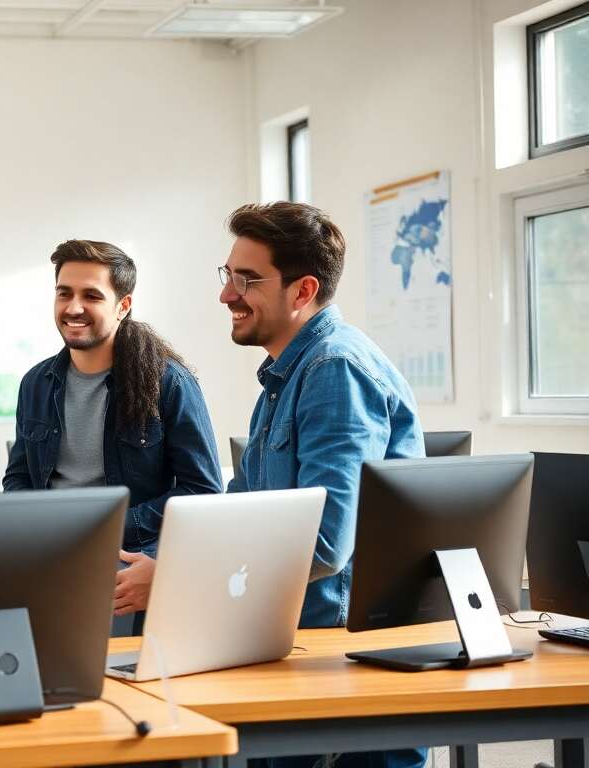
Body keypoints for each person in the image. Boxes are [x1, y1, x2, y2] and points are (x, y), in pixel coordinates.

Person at [220, 202, 425, 768]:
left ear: (302, 290)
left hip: (336, 651)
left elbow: (326, 543)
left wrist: (187, 573)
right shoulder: (285, 376)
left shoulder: (334, 369)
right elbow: (240, 512)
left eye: (248, 280)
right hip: (293, 634)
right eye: (228, 276)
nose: (227, 295)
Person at [4, 239, 223, 633]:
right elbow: (18, 478)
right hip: (49, 550)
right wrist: (37, 525)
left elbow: (202, 489)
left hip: (128, 552)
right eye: (64, 293)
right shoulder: (36, 383)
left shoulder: (168, 382)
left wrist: (105, 527)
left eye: (91, 296)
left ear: (123, 306)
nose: (73, 308)